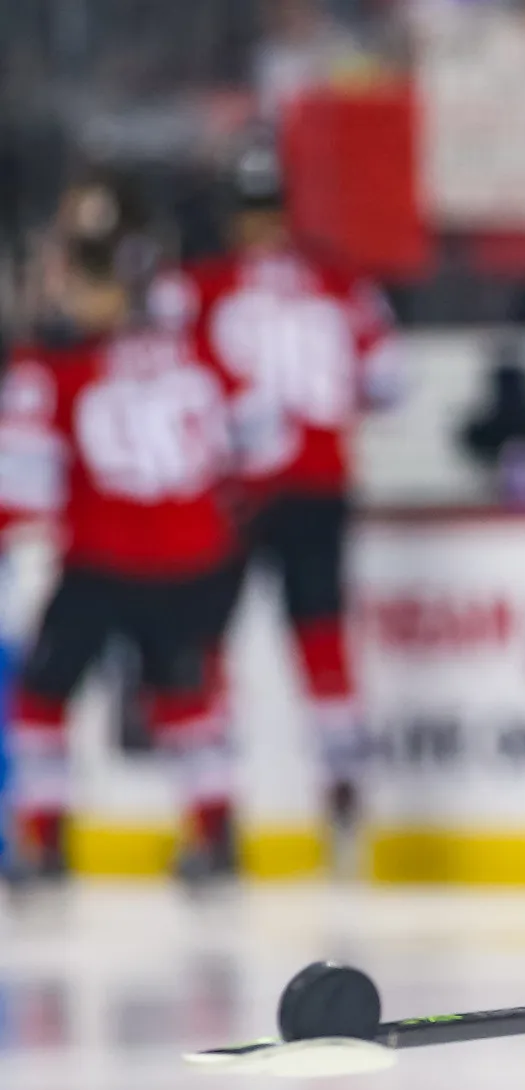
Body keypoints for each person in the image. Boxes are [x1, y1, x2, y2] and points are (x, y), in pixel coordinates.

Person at [157, 142, 402, 870]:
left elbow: (170, 383)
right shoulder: (341, 280)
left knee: (202, 647)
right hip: (321, 488)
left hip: (234, 493)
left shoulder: (197, 287)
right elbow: (390, 380)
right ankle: (343, 802)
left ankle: (215, 818)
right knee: (321, 642)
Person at [0, 180, 246, 889]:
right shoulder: (192, 346)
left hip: (103, 556)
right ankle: (214, 830)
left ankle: (44, 843)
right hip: (191, 553)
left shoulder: (54, 367)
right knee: (185, 698)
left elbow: (25, 487)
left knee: (42, 699)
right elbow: (250, 439)